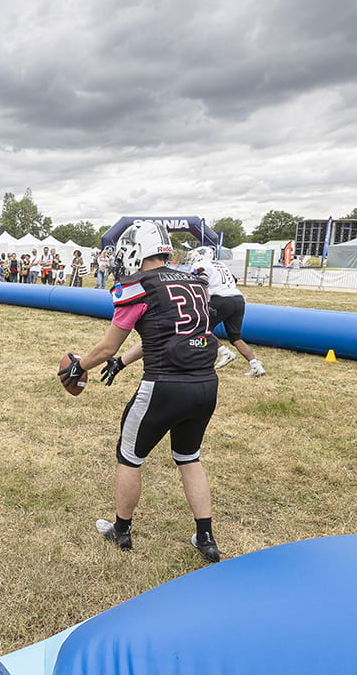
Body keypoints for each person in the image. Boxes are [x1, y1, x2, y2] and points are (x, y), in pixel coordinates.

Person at [59, 220, 222, 563]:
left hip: (164, 385)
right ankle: (205, 537)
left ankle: (122, 530)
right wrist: (124, 362)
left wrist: (79, 366)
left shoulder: (139, 287)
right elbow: (171, 334)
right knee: (189, 457)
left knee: (129, 456)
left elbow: (105, 346)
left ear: (136, 250)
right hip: (205, 384)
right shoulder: (194, 280)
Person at [186, 246, 265, 377]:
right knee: (235, 337)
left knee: (200, 328)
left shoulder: (201, 264)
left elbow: (203, 282)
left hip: (221, 299)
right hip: (238, 299)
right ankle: (255, 365)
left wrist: (204, 302)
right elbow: (233, 279)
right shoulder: (221, 264)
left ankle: (224, 352)